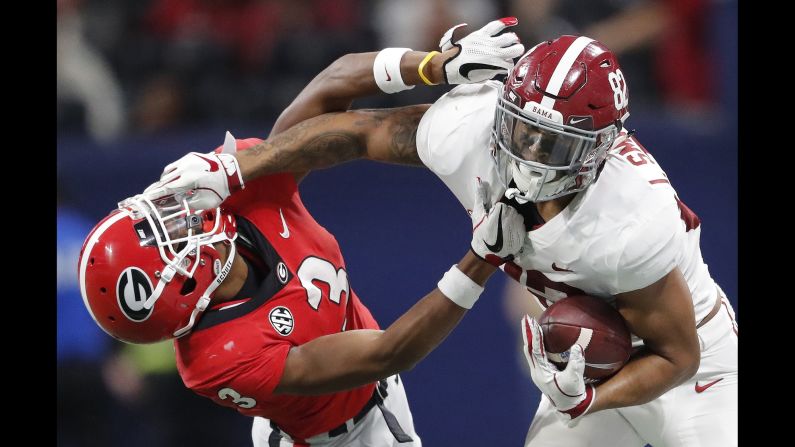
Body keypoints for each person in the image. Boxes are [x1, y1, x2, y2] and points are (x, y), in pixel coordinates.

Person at [146, 31, 737, 446]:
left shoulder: (632, 220)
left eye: (552, 147)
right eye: (522, 130)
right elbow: (355, 130)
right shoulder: (470, 129)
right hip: (592, 360)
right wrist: (240, 167)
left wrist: (589, 399)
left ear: (599, 153)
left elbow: (676, 355)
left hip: (698, 367)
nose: (529, 155)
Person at [78, 19, 526, 447]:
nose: (183, 217)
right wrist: (482, 256)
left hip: (363, 391)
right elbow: (389, 352)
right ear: (184, 286)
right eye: (170, 237)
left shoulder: (229, 196)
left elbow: (333, 85)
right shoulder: (220, 356)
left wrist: (435, 64)